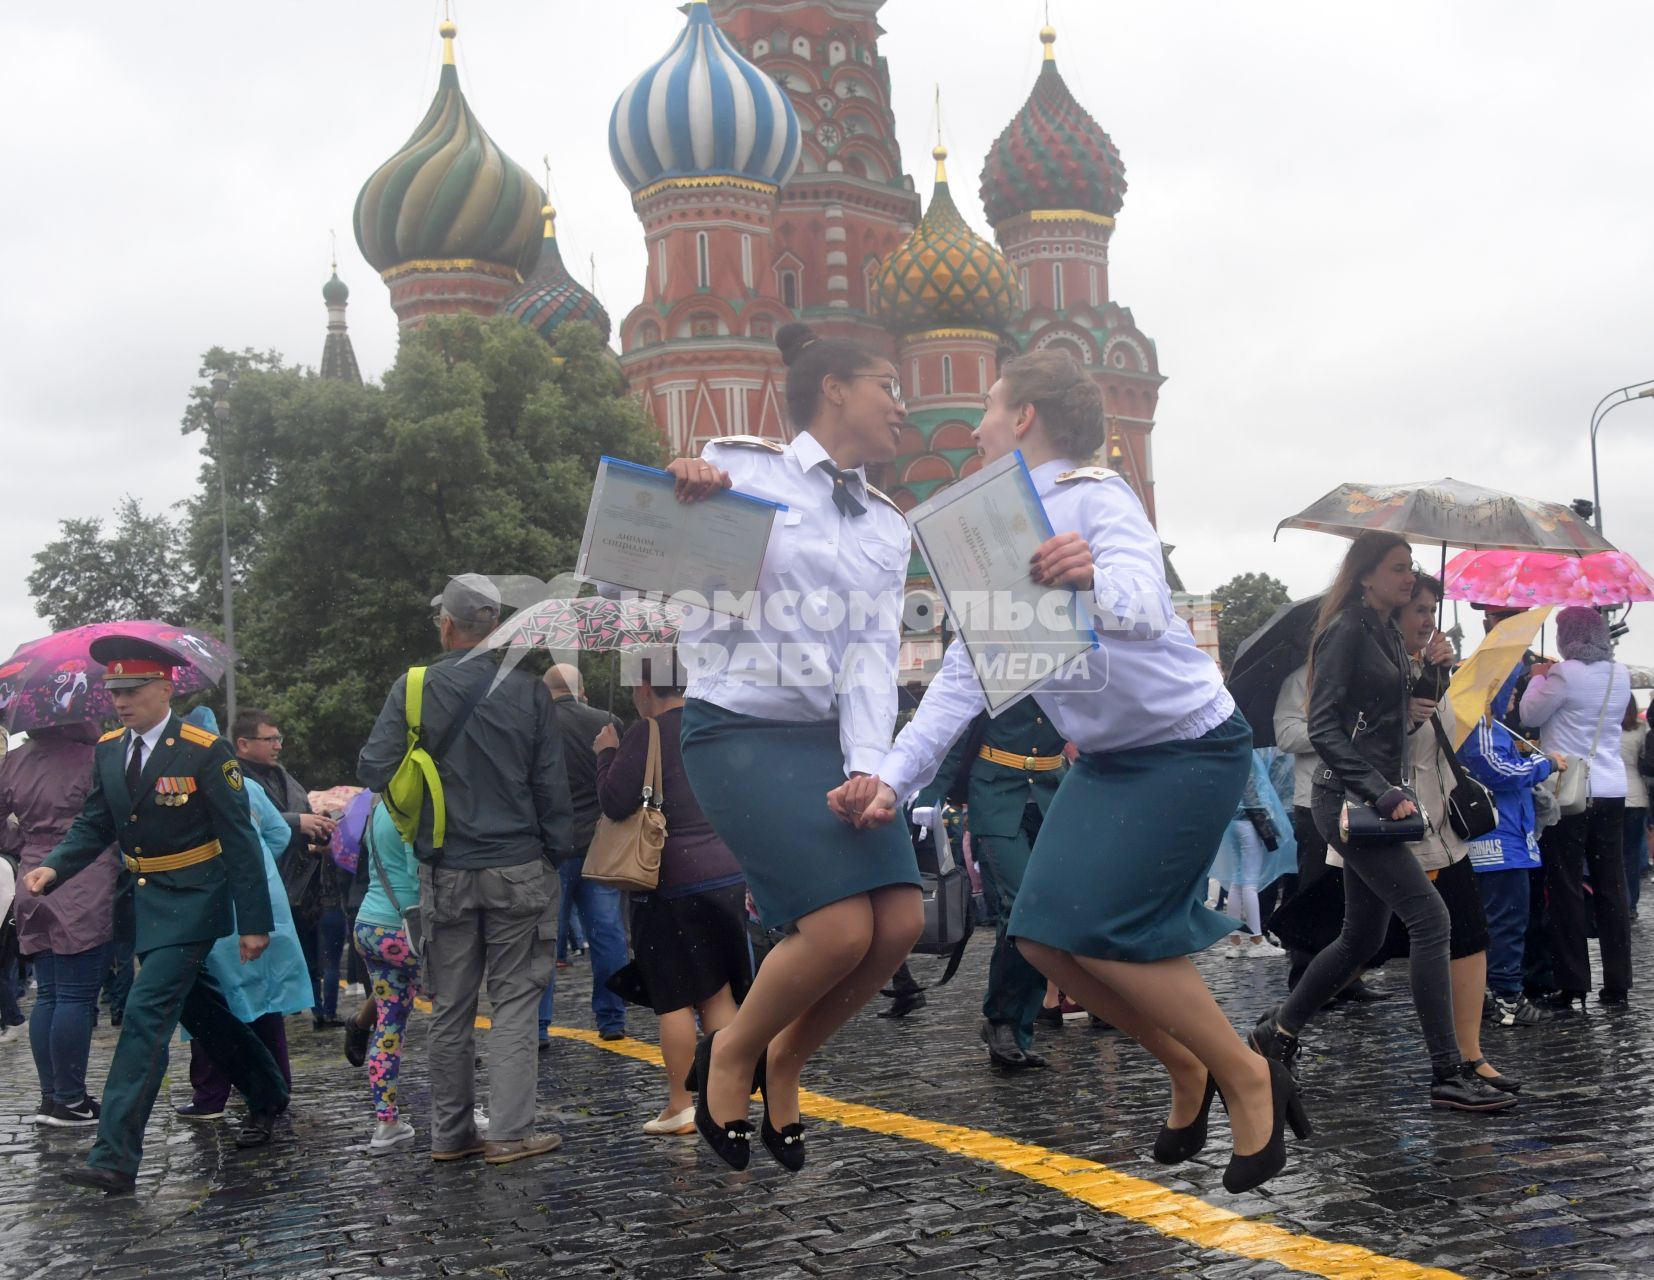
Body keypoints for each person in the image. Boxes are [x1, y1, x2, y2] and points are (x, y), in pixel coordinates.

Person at [835, 349, 1305, 1194]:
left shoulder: (1095, 494)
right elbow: (965, 676)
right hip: (1111, 759)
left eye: (986, 406)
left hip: (1188, 746)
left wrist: (1091, 580)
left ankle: (1244, 1072)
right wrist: (893, 780)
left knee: (1114, 932)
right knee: (1043, 934)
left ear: (1023, 419)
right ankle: (1184, 1067)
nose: (973, 424)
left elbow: (1149, 602)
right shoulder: (984, 528)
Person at [673, 321, 923, 1173]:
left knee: (899, 922)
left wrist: (868, 766)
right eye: (888, 384)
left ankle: (787, 1057)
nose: (903, 404)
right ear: (835, 390)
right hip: (738, 725)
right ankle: (734, 1054)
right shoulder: (737, 469)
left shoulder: (889, 525)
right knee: (834, 929)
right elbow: (664, 580)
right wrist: (681, 493)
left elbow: (871, 658)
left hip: (828, 736)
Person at [1248, 535, 1513, 1113]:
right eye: (1398, 569)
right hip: (1345, 801)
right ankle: (1447, 1071)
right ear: (1366, 575)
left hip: (1370, 799)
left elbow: (1393, 718)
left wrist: (1434, 675)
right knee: (1430, 917)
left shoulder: (1387, 631)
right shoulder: (1345, 629)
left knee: (1360, 938)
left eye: (1410, 567)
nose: (1408, 577)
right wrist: (1381, 789)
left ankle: (1279, 1030)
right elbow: (1322, 729)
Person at [21, 636, 289, 1194]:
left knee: (145, 1019)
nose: (120, 700)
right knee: (205, 1009)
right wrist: (55, 867)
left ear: (165, 689)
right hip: (144, 902)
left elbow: (239, 838)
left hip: (194, 899)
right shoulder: (110, 748)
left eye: (133, 689)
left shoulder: (203, 749)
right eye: (114, 690)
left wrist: (255, 921)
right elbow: (96, 823)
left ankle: (115, 1156)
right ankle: (267, 1092)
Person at [358, 573, 573, 1166]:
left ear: (447, 624)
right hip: (518, 866)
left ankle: (450, 1135)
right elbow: (550, 785)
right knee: (514, 1001)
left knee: (450, 1005)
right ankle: (508, 1133)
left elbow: (374, 766)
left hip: (444, 868)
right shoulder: (529, 692)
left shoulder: (414, 686)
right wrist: (555, 855)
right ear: (495, 628)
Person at [595, 655, 749, 1135]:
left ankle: (681, 1103)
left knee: (676, 998)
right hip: (725, 875)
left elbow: (615, 801)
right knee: (718, 992)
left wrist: (606, 753)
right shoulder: (714, 726)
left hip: (670, 882)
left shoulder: (649, 732)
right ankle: (726, 1098)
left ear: (646, 687)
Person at [1389, 575, 1515, 1094]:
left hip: (1442, 826)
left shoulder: (1432, 667)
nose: (1427, 619)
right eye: (1417, 609)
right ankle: (1283, 1027)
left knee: (1468, 934)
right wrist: (1408, 713)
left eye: (1432, 609)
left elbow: (1452, 739)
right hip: (1394, 829)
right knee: (1354, 945)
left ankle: (1468, 1056)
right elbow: (1365, 746)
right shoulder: (1375, 669)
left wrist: (1441, 677)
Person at [168, 707, 312, 1123]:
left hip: (214, 901)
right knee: (264, 999)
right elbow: (281, 835)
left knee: (213, 1001)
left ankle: (212, 1095)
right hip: (261, 898)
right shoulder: (246, 786)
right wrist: (262, 861)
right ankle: (275, 1086)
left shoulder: (182, 789)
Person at [912, 698, 1068, 1069]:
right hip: (997, 796)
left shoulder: (1074, 658)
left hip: (1053, 795)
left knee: (1046, 914)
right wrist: (930, 797)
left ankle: (1019, 1027)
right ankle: (1000, 1019)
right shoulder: (994, 654)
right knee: (1021, 908)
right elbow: (958, 730)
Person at [2, 721, 116, 1125]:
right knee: (75, 995)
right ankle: (70, 1098)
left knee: (49, 994)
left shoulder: (12, 761)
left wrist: (28, 845)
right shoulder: (95, 757)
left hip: (30, 878)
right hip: (84, 877)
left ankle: (53, 1097)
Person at [1520, 605, 1633, 1007]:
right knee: (1611, 885)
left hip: (1569, 792)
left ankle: (1573, 982)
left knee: (1564, 885)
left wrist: (1537, 680)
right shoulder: (1620, 675)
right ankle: (1618, 982)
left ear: (1567, 637)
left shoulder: (1563, 674)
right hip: (1612, 787)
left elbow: (1529, 713)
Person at [1273, 666, 1388, 1003]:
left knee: (1356, 891)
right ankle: (1305, 981)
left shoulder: (1363, 676)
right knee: (1316, 889)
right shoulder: (1298, 681)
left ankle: (1347, 977)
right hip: (1314, 801)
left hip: (1361, 798)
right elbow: (1286, 736)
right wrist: (1332, 730)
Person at [1460, 668, 1558, 1027]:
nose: (1514, 697)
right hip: (1499, 843)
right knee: (1506, 923)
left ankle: (1494, 995)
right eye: (1509, 690)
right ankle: (1507, 1000)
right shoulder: (1481, 726)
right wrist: (1542, 763)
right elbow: (1496, 770)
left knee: (1498, 922)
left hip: (1503, 840)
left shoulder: (1490, 726)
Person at [537, 663, 628, 1044]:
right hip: (599, 844)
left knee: (542, 938)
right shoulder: (607, 722)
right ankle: (611, 1018)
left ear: (546, 692)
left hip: (551, 847)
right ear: (582, 689)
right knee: (607, 933)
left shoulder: (535, 725)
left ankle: (539, 1024)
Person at [234, 710, 339, 1028]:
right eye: (270, 739)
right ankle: (266, 1019)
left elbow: (298, 814)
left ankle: (319, 1009)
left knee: (309, 957)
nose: (278, 745)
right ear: (243, 743)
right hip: (266, 885)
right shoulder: (233, 778)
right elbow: (252, 823)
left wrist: (317, 833)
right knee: (264, 965)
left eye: (279, 738)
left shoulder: (281, 775)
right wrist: (296, 823)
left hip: (304, 884)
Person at [350, 795, 426, 1154]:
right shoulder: (412, 805)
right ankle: (459, 1111)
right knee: (453, 1016)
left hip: (370, 926)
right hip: (407, 928)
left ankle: (386, 1123)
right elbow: (419, 871)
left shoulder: (378, 803)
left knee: (388, 1026)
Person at [1212, 753, 1293, 959]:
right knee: (1249, 882)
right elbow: (1251, 791)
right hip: (1248, 821)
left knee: (1237, 883)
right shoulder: (1245, 754)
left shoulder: (1223, 754)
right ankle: (1257, 940)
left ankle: (1235, 941)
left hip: (1231, 821)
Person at [1617, 698, 1647, 918]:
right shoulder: (1640, 729)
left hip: (1611, 794)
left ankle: (1617, 900)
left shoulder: (1605, 729)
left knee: (1612, 854)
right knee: (1632, 853)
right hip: (1637, 795)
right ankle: (1631, 904)